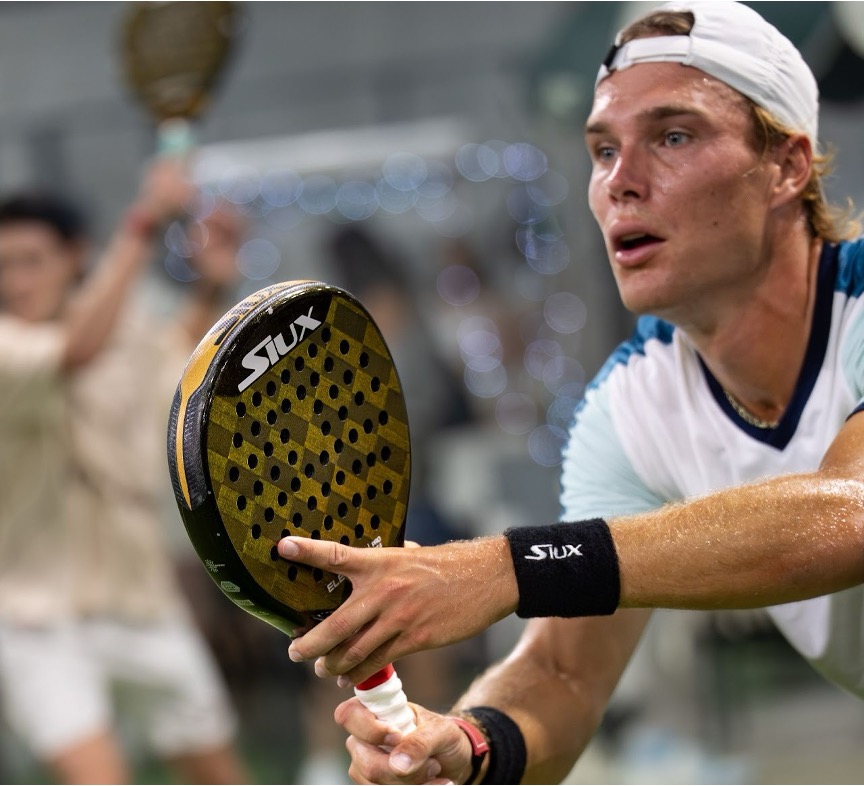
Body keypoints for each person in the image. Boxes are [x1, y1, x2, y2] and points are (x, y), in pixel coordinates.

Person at [272, 1, 864, 783]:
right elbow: (563, 672)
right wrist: (466, 746)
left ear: (787, 166)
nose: (621, 181)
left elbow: (850, 514)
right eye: (603, 150)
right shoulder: (628, 407)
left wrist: (508, 568)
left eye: (674, 136)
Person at [0, 157, 249, 784]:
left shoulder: (124, 327)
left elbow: (179, 367)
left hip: (140, 598)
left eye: (30, 261)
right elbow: (75, 351)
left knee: (221, 775)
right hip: (34, 614)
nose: (14, 280)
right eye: (3, 265)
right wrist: (144, 220)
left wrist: (211, 285)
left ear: (74, 257)